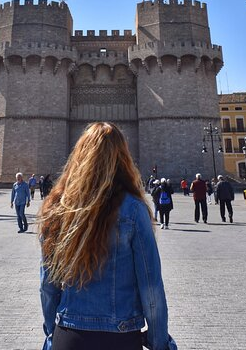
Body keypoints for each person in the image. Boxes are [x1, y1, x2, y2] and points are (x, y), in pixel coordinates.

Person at [38, 122, 177, 350]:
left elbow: (47, 285)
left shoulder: (57, 207)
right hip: (119, 336)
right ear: (123, 158)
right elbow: (151, 287)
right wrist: (158, 341)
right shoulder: (133, 209)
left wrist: (52, 331)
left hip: (69, 334)